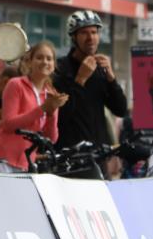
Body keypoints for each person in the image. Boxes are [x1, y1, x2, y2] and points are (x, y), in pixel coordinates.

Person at [52, 10, 129, 150]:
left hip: (98, 152)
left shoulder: (100, 69)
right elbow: (60, 114)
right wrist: (80, 79)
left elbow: (120, 109)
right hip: (68, 153)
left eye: (94, 32)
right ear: (74, 37)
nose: (90, 38)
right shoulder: (60, 68)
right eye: (84, 33)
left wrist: (111, 79)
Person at [0, 41, 67, 170]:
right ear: (30, 61)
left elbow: (51, 139)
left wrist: (51, 113)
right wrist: (42, 109)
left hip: (26, 162)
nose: (45, 62)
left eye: (49, 59)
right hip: (3, 158)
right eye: (39, 58)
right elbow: (8, 123)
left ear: (54, 65)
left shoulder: (51, 94)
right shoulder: (16, 84)